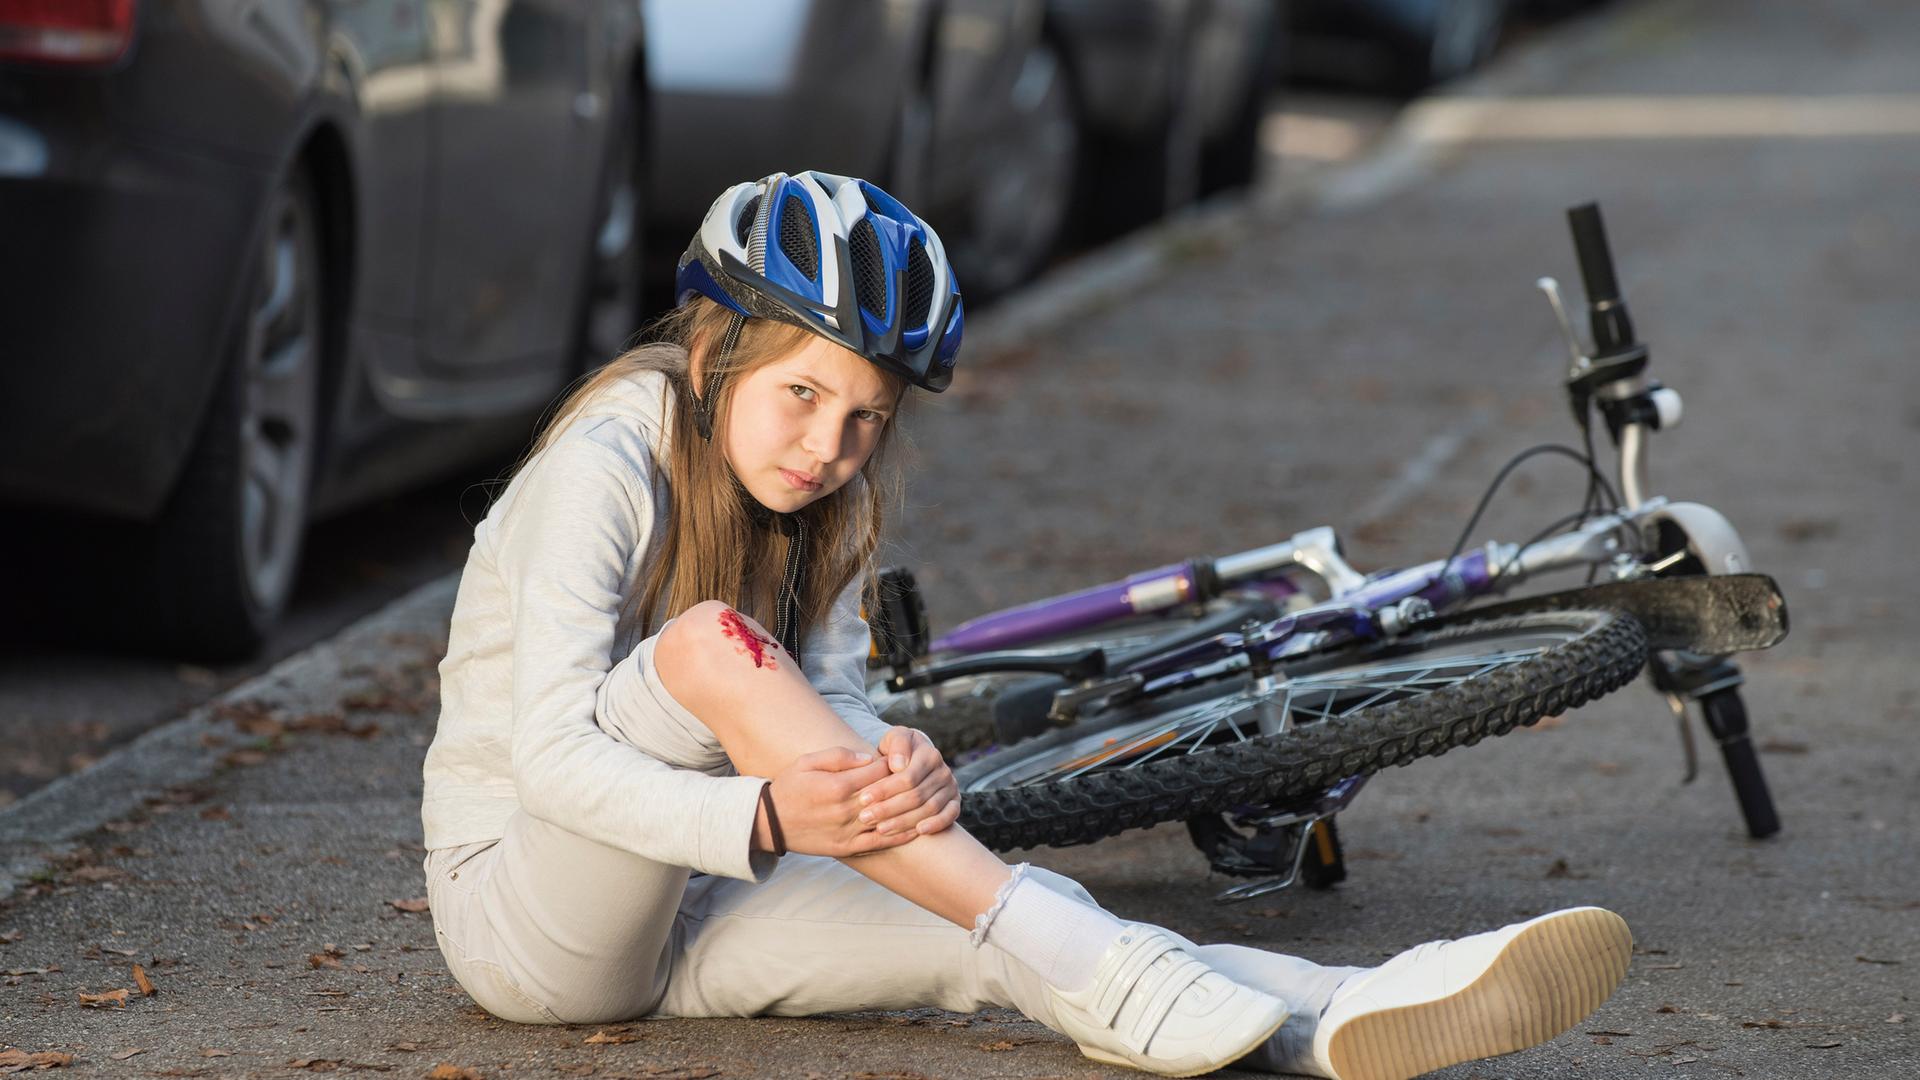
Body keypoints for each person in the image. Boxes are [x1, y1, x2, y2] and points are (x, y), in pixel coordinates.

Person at [419, 170, 1633, 1078]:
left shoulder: (824, 499)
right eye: (801, 393)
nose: (829, 446)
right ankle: (1113, 955)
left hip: (693, 910)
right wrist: (771, 816)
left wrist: (887, 753)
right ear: (710, 355)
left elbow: (827, 695)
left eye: (866, 418)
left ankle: (1335, 1006)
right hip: (531, 924)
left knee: (996, 928)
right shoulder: (604, 464)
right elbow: (551, 758)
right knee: (706, 648)